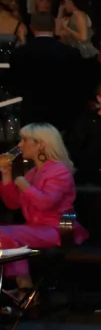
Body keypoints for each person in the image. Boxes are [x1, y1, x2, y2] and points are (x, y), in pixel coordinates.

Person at [0, 124, 88, 294]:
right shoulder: (34, 172)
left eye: (25, 140)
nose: (19, 145)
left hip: (59, 229)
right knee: (7, 238)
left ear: (40, 144)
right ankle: (24, 289)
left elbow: (46, 203)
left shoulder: (60, 171)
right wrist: (6, 176)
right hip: (35, 228)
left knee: (3, 234)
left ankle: (24, 289)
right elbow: (13, 204)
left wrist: (24, 185)